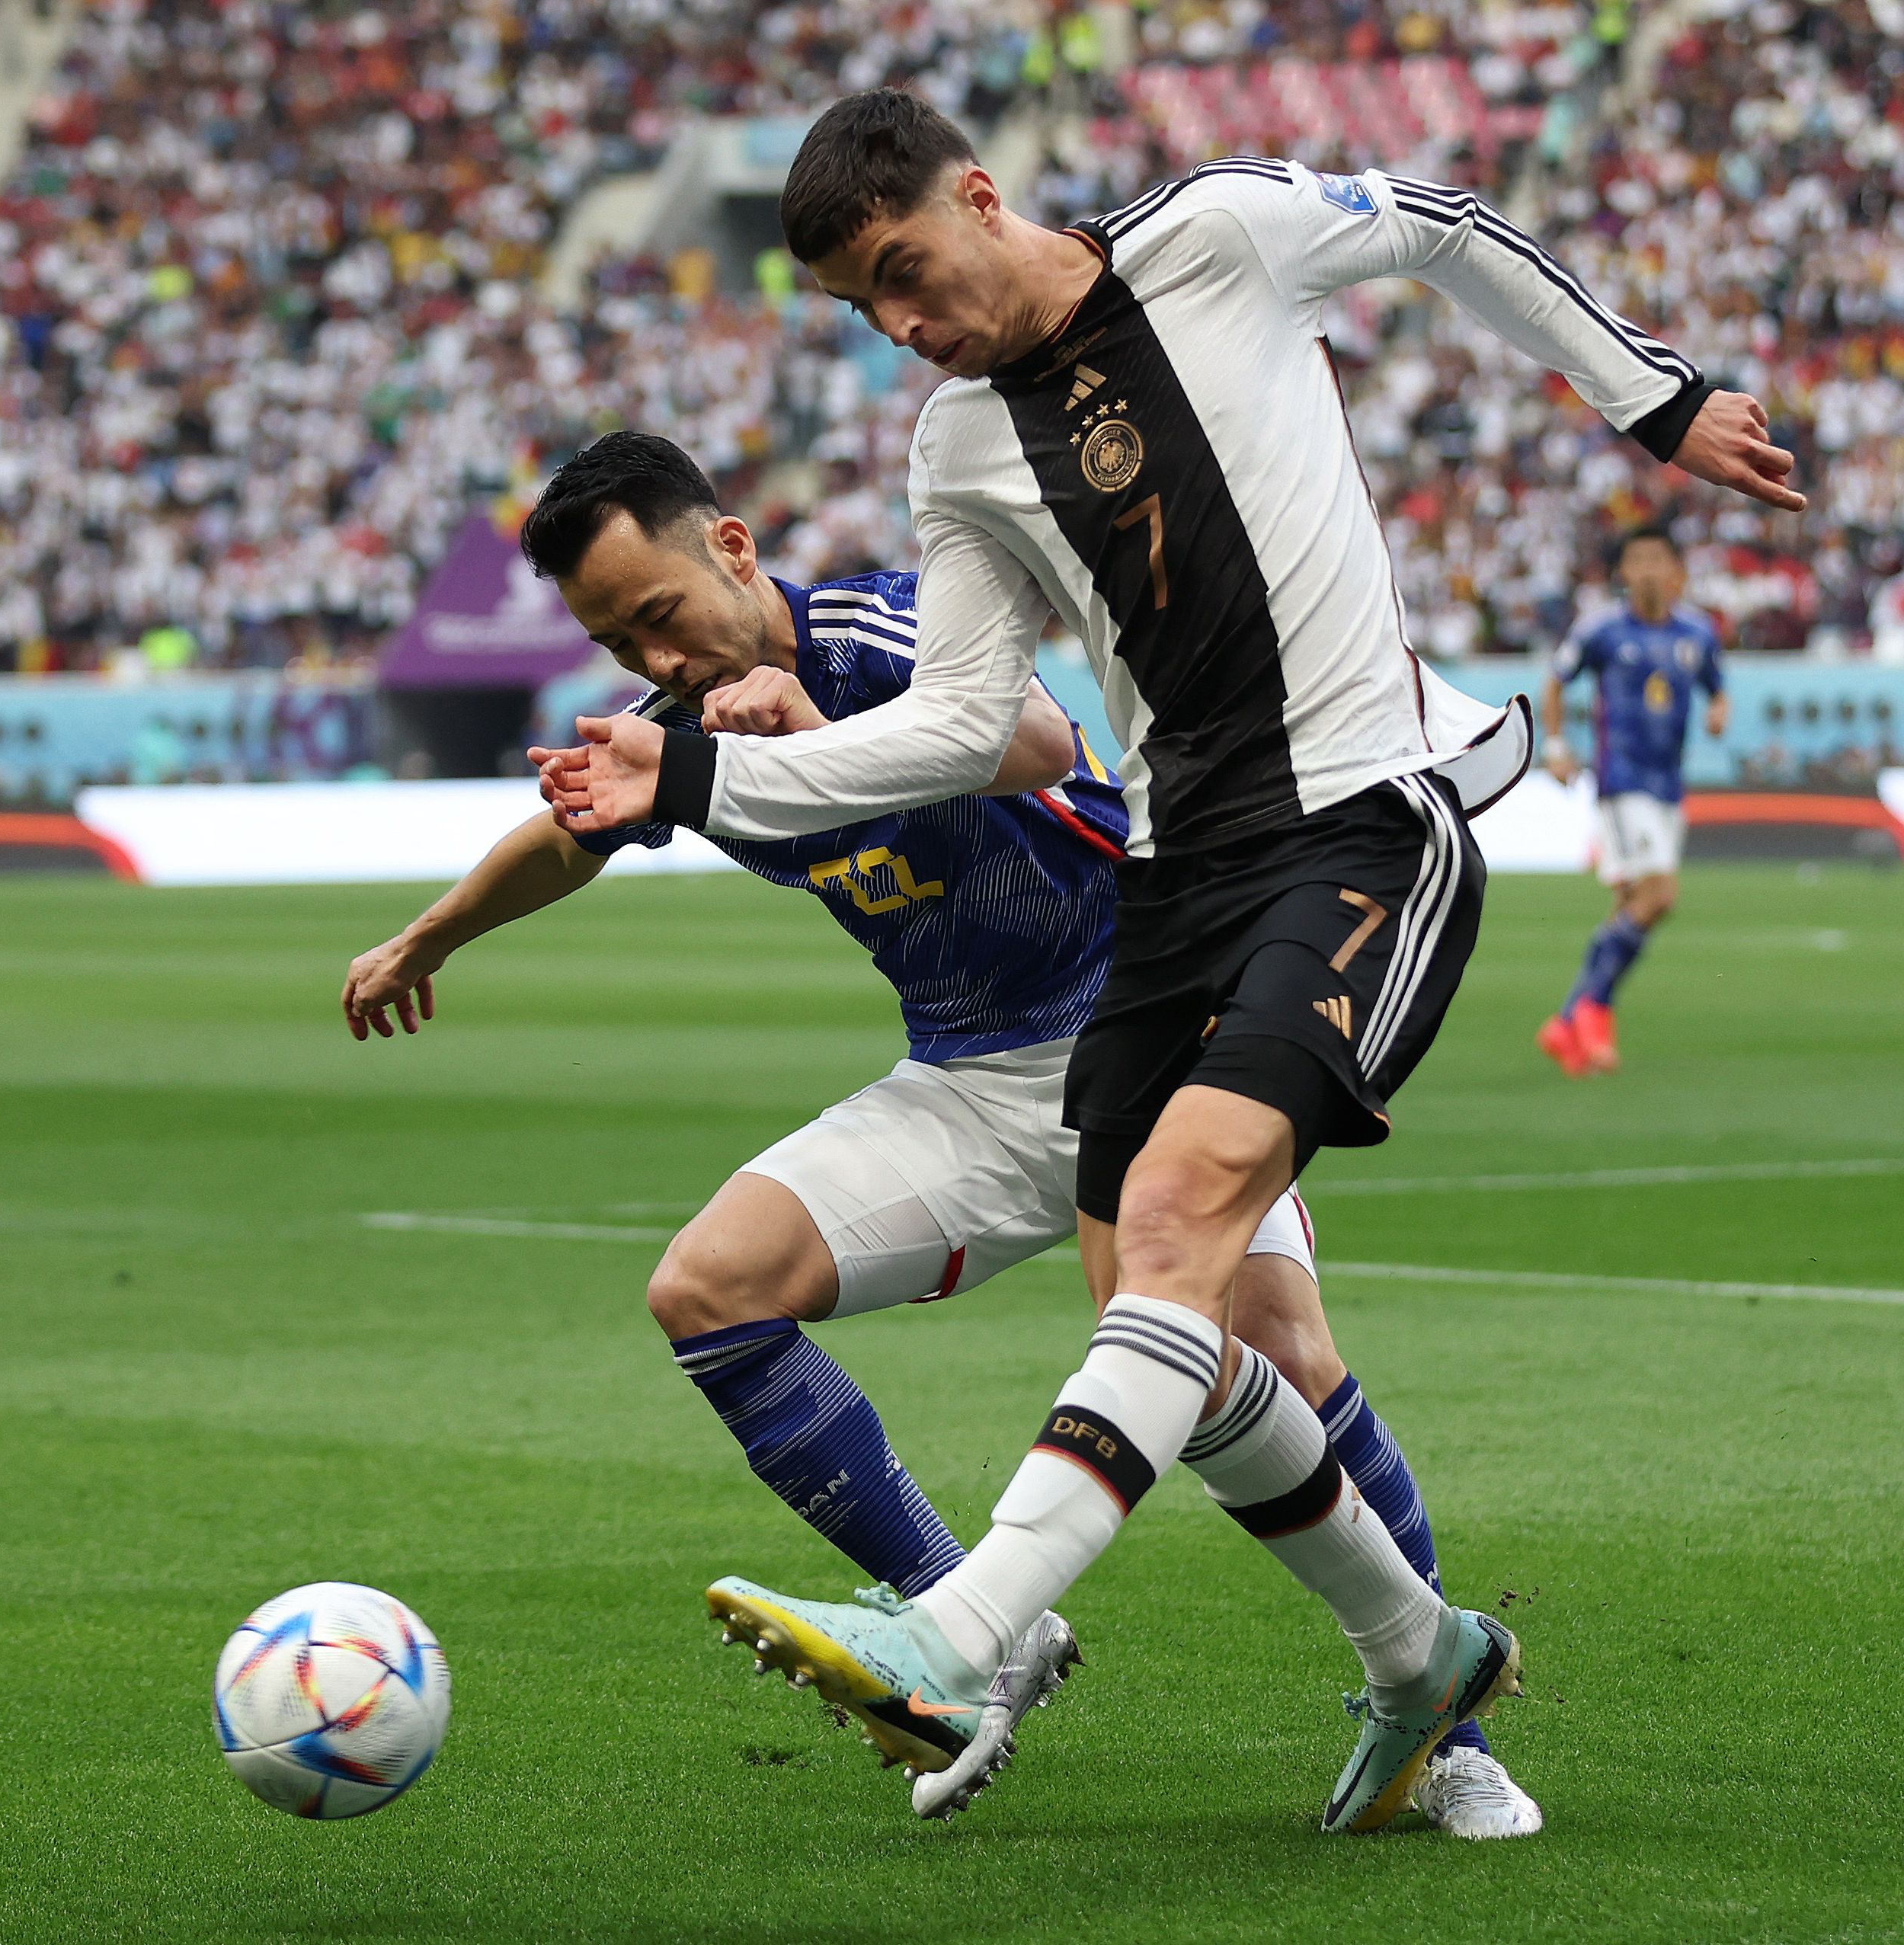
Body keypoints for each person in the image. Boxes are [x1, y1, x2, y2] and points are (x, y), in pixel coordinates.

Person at [534, 91, 1800, 1832]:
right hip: (1178, 876)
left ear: (977, 198)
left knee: (1192, 1222)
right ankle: (1420, 1654)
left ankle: (955, 1631)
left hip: (1366, 819)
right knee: (1181, 1326)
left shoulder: (1212, 235)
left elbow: (1439, 225)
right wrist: (685, 770)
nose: (901, 324)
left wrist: (1645, 396)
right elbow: (964, 728)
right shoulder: (956, 447)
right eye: (859, 309)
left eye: (905, 271)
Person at [347, 433, 1541, 1837]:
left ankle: (1445, 1729)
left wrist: (817, 737)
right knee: (709, 1290)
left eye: (656, 613)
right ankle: (968, 1629)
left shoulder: (873, 627)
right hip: (967, 1078)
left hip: (1151, 1025)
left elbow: (1037, 742)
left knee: (1270, 1356)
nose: (650, 657)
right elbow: (570, 831)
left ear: (731, 548)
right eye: (615, 637)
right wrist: (432, 932)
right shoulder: (679, 726)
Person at [1534, 526, 1727, 1076]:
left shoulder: (1697, 631)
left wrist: (1719, 710)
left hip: (1669, 786)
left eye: (1655, 559)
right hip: (1622, 781)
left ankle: (1569, 1023)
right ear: (1623, 572)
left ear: (1675, 571)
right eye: (1635, 559)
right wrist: (1555, 746)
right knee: (1659, 894)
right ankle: (1592, 1012)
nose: (1645, 569)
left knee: (1628, 906)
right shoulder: (1602, 630)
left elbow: (1718, 683)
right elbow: (1556, 680)